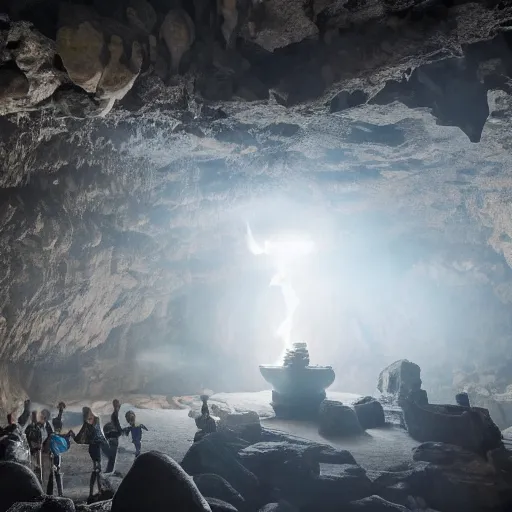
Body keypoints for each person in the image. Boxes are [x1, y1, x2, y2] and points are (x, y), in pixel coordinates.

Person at [74, 407, 109, 503]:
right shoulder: (88, 425)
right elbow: (85, 435)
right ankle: (98, 490)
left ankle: (96, 490)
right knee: (97, 469)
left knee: (97, 470)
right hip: (94, 448)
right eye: (89, 415)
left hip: (98, 447)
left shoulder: (97, 421)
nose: (91, 416)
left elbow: (101, 434)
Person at [103, 399, 123, 473]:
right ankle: (110, 470)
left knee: (114, 455)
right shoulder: (114, 415)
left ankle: (110, 470)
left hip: (117, 433)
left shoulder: (121, 412)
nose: (115, 406)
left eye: (116, 404)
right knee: (113, 455)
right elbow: (115, 424)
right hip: (115, 434)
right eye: (114, 405)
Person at [24, 411, 43, 482]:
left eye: (35, 416)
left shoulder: (38, 428)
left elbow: (40, 439)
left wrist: (38, 446)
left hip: (37, 449)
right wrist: (30, 447)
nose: (34, 418)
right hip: (31, 449)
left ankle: (39, 482)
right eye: (33, 416)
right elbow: (26, 438)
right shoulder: (29, 428)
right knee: (31, 466)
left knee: (38, 467)